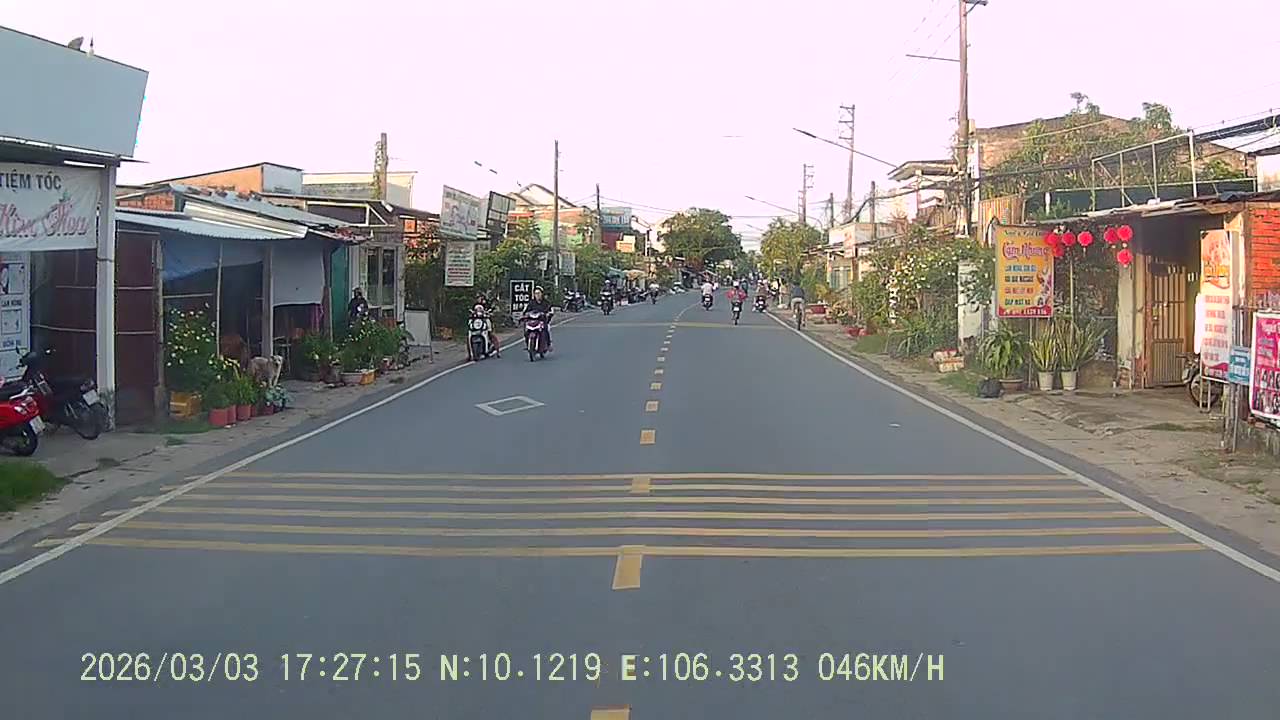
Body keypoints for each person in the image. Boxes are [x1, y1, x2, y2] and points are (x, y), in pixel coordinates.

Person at [525, 286, 554, 350]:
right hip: (532, 321)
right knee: (526, 331)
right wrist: (525, 314)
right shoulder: (531, 303)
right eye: (536, 293)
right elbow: (526, 311)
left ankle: (548, 344)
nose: (537, 295)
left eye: (538, 293)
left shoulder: (546, 303)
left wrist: (548, 314)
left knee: (545, 330)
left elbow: (551, 310)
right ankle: (528, 344)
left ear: (542, 294)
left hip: (542, 321)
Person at [474, 292, 501, 357]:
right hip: (476, 321)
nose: (478, 299)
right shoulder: (474, 305)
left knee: (491, 334)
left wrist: (491, 313)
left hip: (485, 319)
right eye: (477, 297)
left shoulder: (487, 304)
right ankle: (470, 354)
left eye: (479, 297)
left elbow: (493, 309)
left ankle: (497, 350)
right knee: (469, 334)